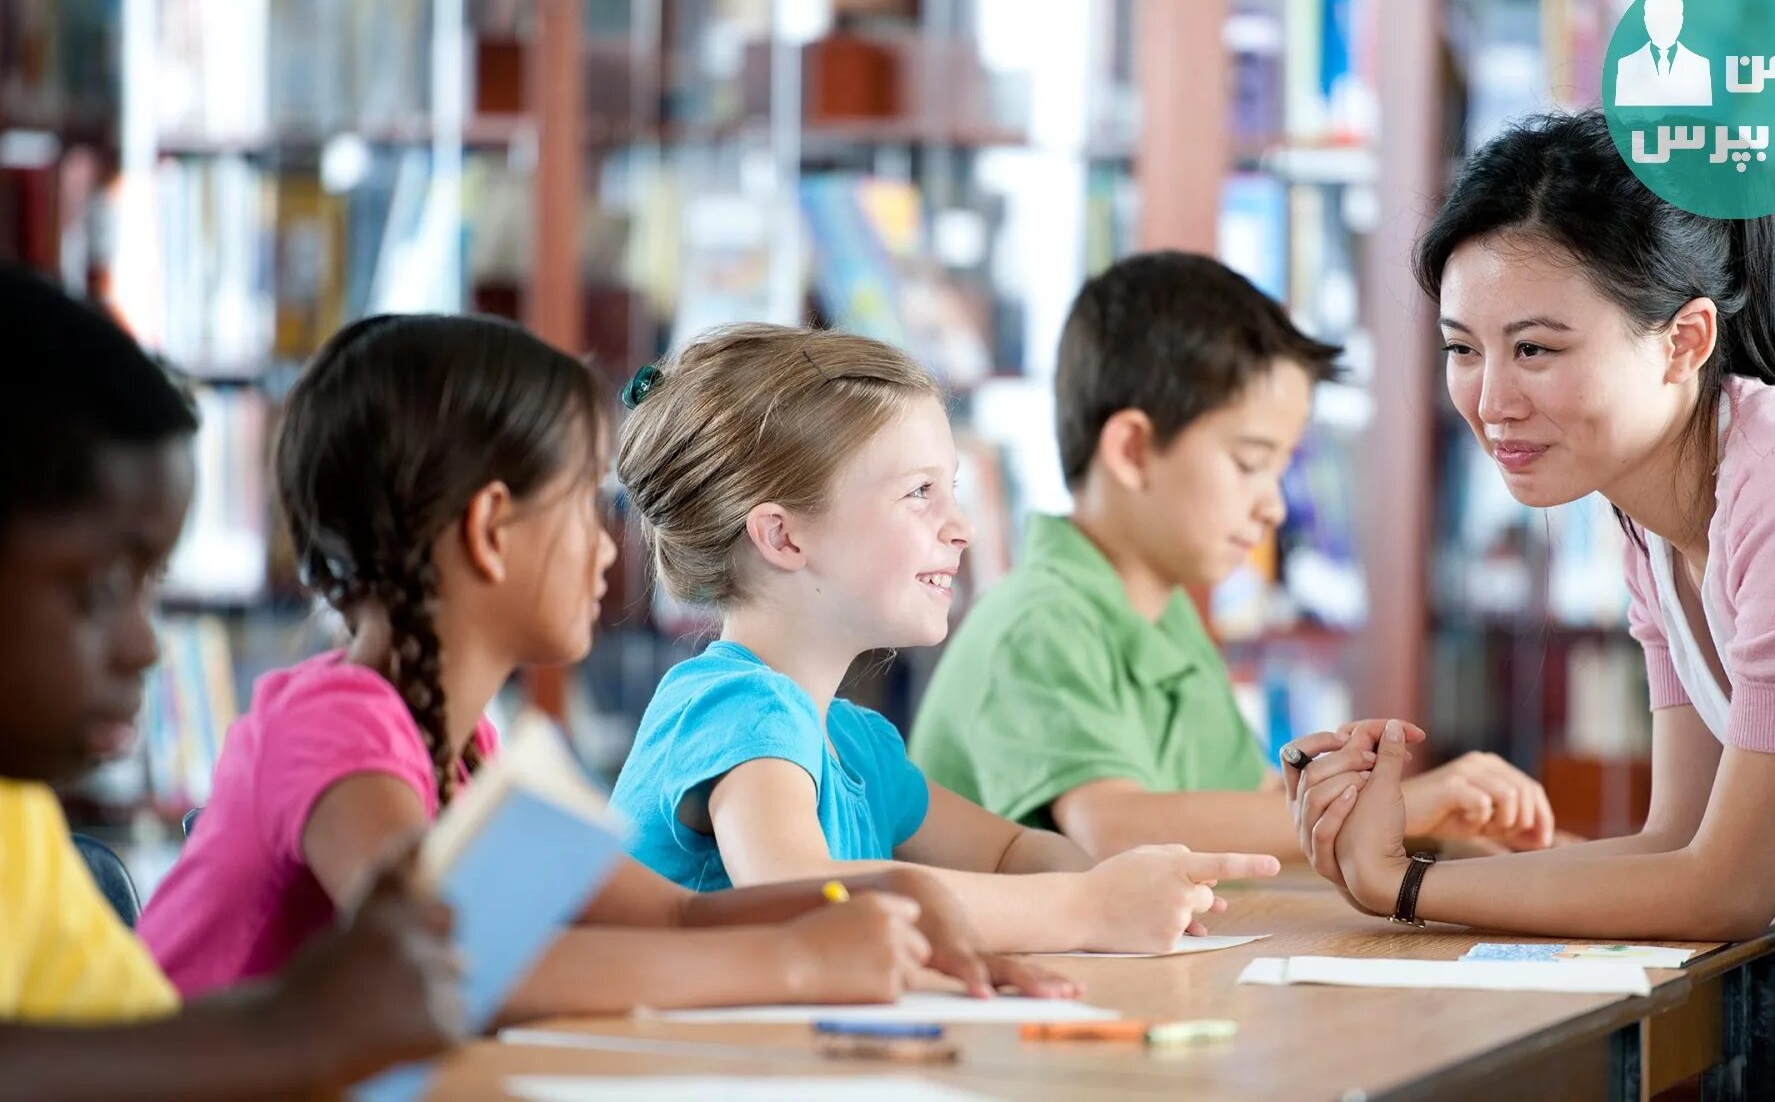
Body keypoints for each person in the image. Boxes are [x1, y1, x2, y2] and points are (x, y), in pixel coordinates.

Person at [139, 313, 1070, 1016]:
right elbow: (444, 967)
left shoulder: (466, 752)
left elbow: (669, 915)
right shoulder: (334, 723)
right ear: (490, 531)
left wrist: (898, 914)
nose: (610, 549)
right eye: (585, 507)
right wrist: (794, 960)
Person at [1293, 110, 1775, 940]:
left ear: (1684, 340)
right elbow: (1674, 845)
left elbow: (1728, 893)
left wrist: (1403, 885)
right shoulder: (1657, 517)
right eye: (1463, 349)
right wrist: (1394, 863)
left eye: (1535, 350)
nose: (1490, 405)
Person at [610, 323, 1279, 953]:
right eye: (920, 492)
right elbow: (806, 900)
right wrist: (1089, 910)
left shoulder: (855, 746)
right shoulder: (736, 709)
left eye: (951, 489)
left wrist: (1115, 882)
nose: (962, 527)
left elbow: (1010, 852)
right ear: (784, 536)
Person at [909, 251, 1556, 860]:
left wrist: (1439, 835)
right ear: (1132, 449)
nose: (1272, 507)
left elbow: (1251, 816)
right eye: (1250, 463)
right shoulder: (1038, 621)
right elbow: (1115, 827)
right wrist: (1405, 806)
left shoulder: (1164, 619)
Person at [0, 266, 463, 1100]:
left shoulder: (15, 818)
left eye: (151, 585)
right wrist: (293, 1030)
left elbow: (132, 1054)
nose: (146, 646)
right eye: (101, 588)